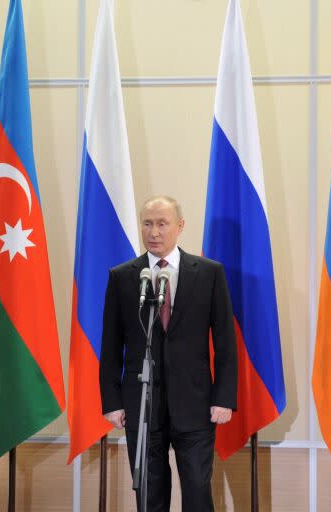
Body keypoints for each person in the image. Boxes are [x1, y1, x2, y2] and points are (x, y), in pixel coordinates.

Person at [99, 195, 237, 511]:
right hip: (142, 406)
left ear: (180, 226)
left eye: (162, 224)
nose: (154, 232)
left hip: (196, 405)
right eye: (147, 224)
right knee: (149, 495)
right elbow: (110, 345)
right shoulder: (123, 276)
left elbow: (225, 342)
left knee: (198, 492)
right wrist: (112, 401)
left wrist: (224, 397)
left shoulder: (208, 273)